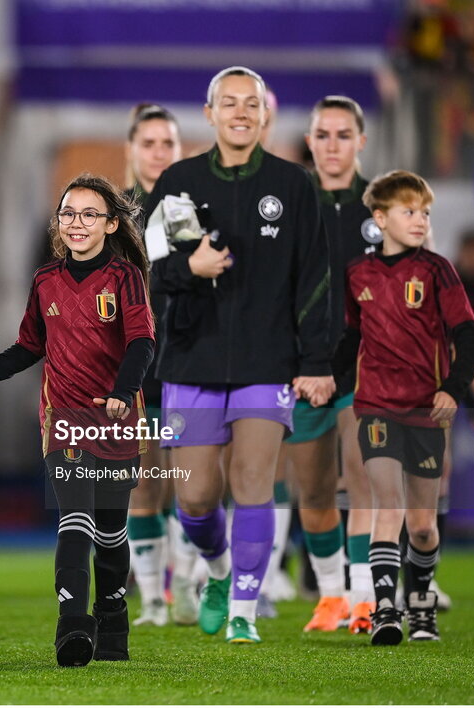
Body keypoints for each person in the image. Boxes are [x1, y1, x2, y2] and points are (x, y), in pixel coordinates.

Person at [147, 66, 333, 644]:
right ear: (209, 113)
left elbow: (317, 281)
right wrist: (190, 268)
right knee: (196, 497)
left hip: (266, 364)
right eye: (229, 103)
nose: (241, 112)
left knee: (254, 483)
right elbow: (148, 273)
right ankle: (221, 573)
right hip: (191, 362)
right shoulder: (176, 182)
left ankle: (244, 614)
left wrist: (317, 361)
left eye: (251, 104)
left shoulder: (295, 185)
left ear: (264, 114)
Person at [0, 174, 155, 666]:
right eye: (68, 213)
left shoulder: (126, 278)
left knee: (111, 531)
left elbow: (141, 343)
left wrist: (122, 393)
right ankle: (72, 625)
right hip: (63, 419)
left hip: (116, 419)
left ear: (111, 224)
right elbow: (30, 345)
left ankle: (112, 618)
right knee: (75, 518)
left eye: (89, 214)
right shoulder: (45, 279)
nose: (77, 223)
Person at [337, 170, 474, 645]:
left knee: (422, 526)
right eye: (409, 211)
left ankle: (421, 608)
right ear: (380, 218)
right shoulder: (358, 273)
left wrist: (453, 389)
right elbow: (350, 339)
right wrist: (325, 380)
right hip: (376, 406)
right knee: (387, 506)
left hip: (426, 411)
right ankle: (384, 610)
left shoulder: (438, 270)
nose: (419, 220)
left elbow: (468, 335)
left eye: (424, 212)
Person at [287, 95, 378, 634]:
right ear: (311, 142)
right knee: (315, 491)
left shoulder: (381, 206)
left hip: (367, 364)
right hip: (301, 367)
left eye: (344, 135)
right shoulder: (289, 200)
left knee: (363, 480)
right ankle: (330, 595)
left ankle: (365, 597)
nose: (333, 145)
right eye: (323, 135)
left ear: (361, 142)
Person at [120, 103, 199, 627]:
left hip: (189, 362)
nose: (158, 153)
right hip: (134, 368)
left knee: (191, 484)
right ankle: (152, 598)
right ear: (131, 149)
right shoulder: (110, 212)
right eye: (148, 143)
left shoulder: (190, 209)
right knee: (143, 485)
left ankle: (189, 586)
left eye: (167, 143)